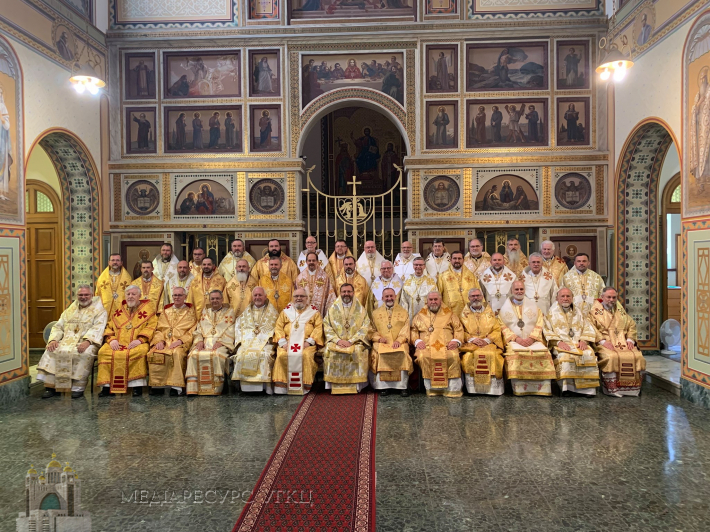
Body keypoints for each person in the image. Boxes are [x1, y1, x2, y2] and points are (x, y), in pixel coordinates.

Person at [37, 285, 107, 399]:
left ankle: (77, 388)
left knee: (84, 354)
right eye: (80, 295)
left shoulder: (99, 311)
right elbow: (58, 326)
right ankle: (51, 387)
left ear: (91, 295)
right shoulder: (70, 310)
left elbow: (98, 328)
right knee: (51, 351)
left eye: (86, 295)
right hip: (66, 341)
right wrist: (54, 340)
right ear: (76, 296)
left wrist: (88, 341)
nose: (83, 297)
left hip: (87, 343)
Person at [97, 285, 158, 397]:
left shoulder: (147, 310)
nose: (130, 297)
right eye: (128, 294)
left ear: (139, 296)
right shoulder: (120, 310)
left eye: (133, 294)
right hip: (117, 342)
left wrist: (140, 340)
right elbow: (109, 326)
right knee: (103, 352)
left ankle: (136, 386)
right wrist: (111, 340)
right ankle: (107, 387)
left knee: (140, 352)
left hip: (137, 342)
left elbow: (152, 326)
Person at [499, 281, 556, 396]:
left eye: (521, 289)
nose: (519, 291)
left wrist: (532, 338)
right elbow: (502, 325)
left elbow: (540, 323)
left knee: (544, 353)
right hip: (514, 341)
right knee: (516, 355)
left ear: (525, 290)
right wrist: (516, 339)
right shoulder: (504, 309)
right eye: (516, 289)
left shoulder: (534, 307)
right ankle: (519, 389)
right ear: (512, 291)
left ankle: (542, 388)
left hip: (532, 340)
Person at [588, 287, 646, 397]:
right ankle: (613, 389)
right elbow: (591, 328)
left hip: (623, 341)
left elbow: (631, 325)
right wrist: (602, 341)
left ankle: (632, 390)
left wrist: (630, 340)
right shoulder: (594, 312)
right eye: (608, 297)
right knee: (612, 357)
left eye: (614, 297)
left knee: (638, 357)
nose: (611, 300)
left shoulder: (621, 311)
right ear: (602, 297)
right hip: (605, 342)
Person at [543, 288, 599, 396]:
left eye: (568, 296)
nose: (565, 299)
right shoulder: (551, 313)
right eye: (562, 296)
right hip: (561, 344)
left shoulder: (579, 312)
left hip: (578, 343)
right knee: (565, 356)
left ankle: (587, 390)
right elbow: (547, 330)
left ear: (572, 298)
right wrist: (558, 342)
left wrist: (584, 340)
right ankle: (567, 389)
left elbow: (587, 327)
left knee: (588, 354)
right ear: (557, 298)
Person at [411, 291, 464, 398]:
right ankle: (431, 389)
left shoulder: (450, 314)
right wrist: (417, 341)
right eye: (431, 300)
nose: (433, 302)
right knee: (423, 356)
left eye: (436, 299)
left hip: (447, 346)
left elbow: (458, 329)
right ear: (427, 301)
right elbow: (413, 330)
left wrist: (456, 341)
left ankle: (452, 389)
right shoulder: (420, 315)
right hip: (426, 346)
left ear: (440, 300)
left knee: (453, 356)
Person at [273, 289, 324, 395]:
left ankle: (304, 386)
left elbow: (319, 328)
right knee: (282, 355)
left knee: (305, 355)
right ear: (293, 298)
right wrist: (283, 343)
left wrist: (310, 342)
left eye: (302, 296)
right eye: (296, 296)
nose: (299, 298)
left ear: (307, 298)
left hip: (307, 344)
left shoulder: (314, 312)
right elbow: (278, 327)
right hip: (287, 343)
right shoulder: (286, 311)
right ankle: (282, 387)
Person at [323, 284, 372, 394]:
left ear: (353, 293)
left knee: (358, 351)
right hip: (337, 341)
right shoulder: (332, 308)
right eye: (344, 292)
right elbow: (327, 325)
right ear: (340, 293)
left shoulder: (360, 309)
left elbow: (365, 326)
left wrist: (351, 341)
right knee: (329, 350)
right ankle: (334, 385)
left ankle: (356, 385)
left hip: (355, 342)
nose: (346, 294)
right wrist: (338, 341)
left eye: (349, 292)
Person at [148, 286, 197, 397]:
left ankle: (177, 387)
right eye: (175, 295)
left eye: (180, 295)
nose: (177, 297)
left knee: (176, 353)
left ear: (185, 297)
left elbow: (192, 330)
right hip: (165, 341)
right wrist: (159, 341)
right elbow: (159, 329)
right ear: (172, 296)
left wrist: (181, 341)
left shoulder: (191, 312)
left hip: (180, 343)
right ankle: (157, 386)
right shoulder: (166, 311)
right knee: (154, 352)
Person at [185, 290, 236, 396]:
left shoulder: (229, 312)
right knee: (193, 355)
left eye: (217, 298)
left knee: (217, 355)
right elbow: (198, 330)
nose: (215, 301)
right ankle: (193, 389)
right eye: (212, 298)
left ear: (222, 299)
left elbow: (232, 329)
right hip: (204, 342)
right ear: (209, 300)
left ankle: (216, 388)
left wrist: (222, 342)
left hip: (221, 343)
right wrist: (199, 341)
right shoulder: (205, 312)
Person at [230, 287, 279, 394]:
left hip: (265, 343)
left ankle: (266, 386)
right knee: (241, 354)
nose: (257, 297)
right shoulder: (245, 313)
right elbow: (238, 328)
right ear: (252, 297)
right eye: (255, 295)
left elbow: (276, 329)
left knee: (264, 355)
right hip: (247, 342)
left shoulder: (273, 313)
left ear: (265, 297)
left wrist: (266, 340)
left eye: (260, 295)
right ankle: (243, 386)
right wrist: (241, 342)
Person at [459, 288, 505, 396]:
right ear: (469, 298)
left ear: (482, 297)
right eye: (473, 296)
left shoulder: (490, 313)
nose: (476, 298)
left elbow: (497, 330)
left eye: (478, 296)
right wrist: (472, 339)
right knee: (468, 357)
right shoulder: (463, 315)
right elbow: (460, 331)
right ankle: (474, 390)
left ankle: (493, 390)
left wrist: (487, 340)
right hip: (471, 344)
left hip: (488, 343)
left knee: (493, 356)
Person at [367, 287, 412, 396]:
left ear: (395, 297)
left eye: (391, 296)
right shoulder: (375, 313)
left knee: (403, 353)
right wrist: (378, 338)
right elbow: (370, 330)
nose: (389, 298)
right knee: (379, 353)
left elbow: (405, 330)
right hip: (382, 342)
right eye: (386, 296)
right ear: (382, 298)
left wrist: (399, 340)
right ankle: (383, 386)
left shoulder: (403, 312)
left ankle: (402, 387)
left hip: (399, 342)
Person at [437, 251, 480, 316]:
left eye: (459, 258)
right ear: (450, 260)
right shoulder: (442, 276)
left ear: (463, 260)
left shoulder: (471, 276)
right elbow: (438, 295)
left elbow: (479, 294)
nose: (457, 260)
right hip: (449, 312)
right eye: (454, 258)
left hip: (469, 312)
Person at [0, 86, 12, 201]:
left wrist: (2, 119)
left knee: (1, 163)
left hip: (1, 140)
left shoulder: (2, 107)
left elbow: (7, 126)